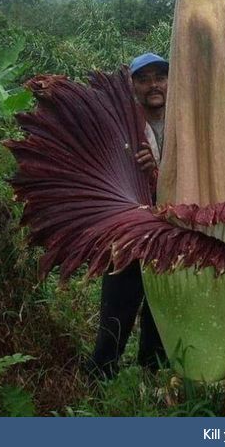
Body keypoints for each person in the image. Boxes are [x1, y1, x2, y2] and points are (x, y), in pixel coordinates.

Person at [88, 52, 169, 378]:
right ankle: (101, 373)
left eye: (159, 77)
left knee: (161, 304)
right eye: (144, 79)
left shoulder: (183, 123)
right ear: (132, 85)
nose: (153, 85)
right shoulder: (122, 125)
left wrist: (158, 171)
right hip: (128, 228)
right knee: (118, 304)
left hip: (172, 226)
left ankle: (152, 371)